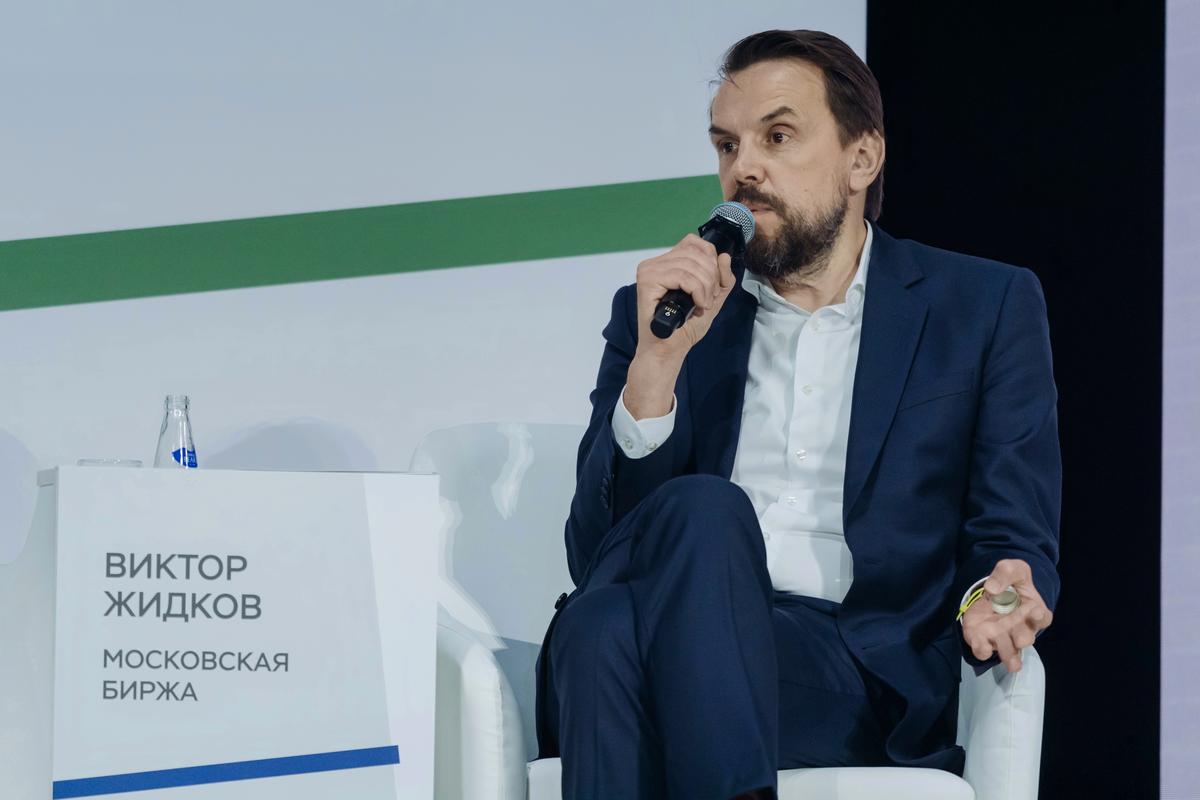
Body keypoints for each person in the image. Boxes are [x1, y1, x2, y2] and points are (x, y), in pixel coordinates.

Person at [535, 28, 1060, 800]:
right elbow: (595, 557)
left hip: (850, 671)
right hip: (671, 631)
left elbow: (1009, 536)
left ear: (862, 158)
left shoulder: (980, 306)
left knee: (604, 630)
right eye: (726, 145)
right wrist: (656, 366)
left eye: (777, 137)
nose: (743, 169)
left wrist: (998, 594)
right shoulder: (665, 315)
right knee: (639, 581)